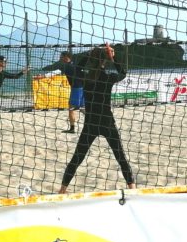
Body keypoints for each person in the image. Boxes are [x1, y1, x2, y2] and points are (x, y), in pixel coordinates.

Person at [58, 44, 136, 193]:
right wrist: (113, 57)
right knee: (121, 157)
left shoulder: (84, 77)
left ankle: (62, 190)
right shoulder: (108, 77)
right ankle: (132, 187)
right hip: (107, 122)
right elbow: (123, 72)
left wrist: (90, 54)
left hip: (91, 124)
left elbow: (77, 68)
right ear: (104, 61)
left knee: (77, 158)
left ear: (91, 59)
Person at [39, 51, 84, 133]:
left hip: (76, 88)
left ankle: (72, 129)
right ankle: (96, 123)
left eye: (61, 56)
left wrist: (42, 76)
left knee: (71, 108)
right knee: (82, 108)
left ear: (66, 57)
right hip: (83, 88)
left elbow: (55, 72)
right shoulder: (75, 63)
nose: (59, 58)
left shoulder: (65, 65)